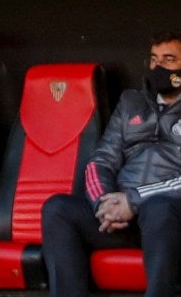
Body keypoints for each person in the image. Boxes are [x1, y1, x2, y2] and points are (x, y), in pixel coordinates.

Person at [41, 30, 181, 297]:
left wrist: (133, 200)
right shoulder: (131, 102)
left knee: (160, 208)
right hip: (122, 218)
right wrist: (104, 203)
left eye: (169, 59)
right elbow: (100, 160)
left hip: (169, 220)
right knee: (57, 208)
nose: (158, 67)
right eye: (154, 59)